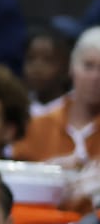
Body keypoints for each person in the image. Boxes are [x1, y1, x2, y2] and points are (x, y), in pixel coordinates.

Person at [16, 25, 100, 167]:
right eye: (88, 66)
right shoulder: (37, 126)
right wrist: (48, 173)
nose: (96, 77)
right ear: (71, 68)